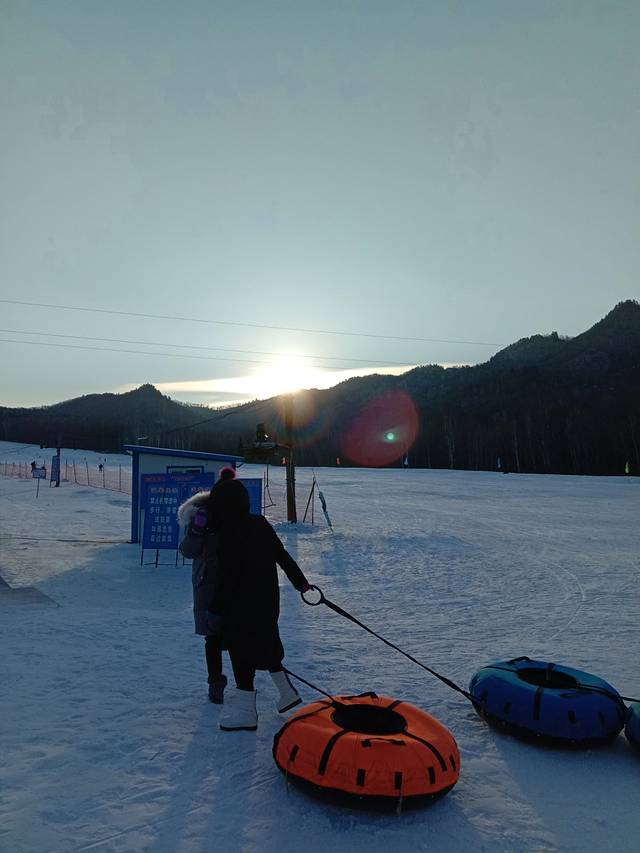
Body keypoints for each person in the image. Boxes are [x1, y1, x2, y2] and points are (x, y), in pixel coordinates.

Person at [177, 468, 311, 731]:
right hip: (267, 600)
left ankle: (246, 714)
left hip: (237, 606)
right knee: (267, 642)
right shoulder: (259, 523)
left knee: (241, 655)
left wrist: (215, 610)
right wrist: (301, 583)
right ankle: (286, 692)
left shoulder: (229, 533)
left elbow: (227, 577)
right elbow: (282, 556)